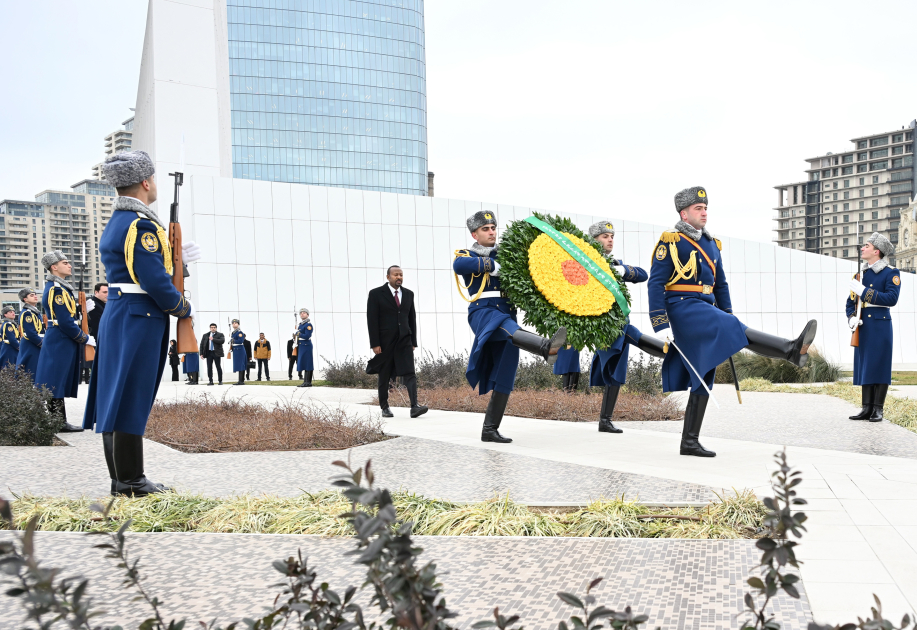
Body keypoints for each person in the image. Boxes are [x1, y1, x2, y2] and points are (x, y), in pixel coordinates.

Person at [647, 186, 816, 457]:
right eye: (698, 209)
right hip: (682, 308)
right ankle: (789, 349)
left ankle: (689, 442)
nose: (704, 213)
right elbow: (656, 283)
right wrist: (660, 322)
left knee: (703, 374)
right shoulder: (671, 241)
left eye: (705, 208)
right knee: (729, 333)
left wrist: (728, 313)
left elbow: (721, 284)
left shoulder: (712, 244)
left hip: (706, 308)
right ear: (684, 214)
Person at [82, 149, 201, 496]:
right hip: (139, 315)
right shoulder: (141, 224)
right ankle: (131, 481)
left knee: (117, 395)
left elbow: (141, 268)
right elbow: (152, 279)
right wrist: (182, 307)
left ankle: (123, 479)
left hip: (124, 314)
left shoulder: (119, 220)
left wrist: (177, 262)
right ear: (146, 182)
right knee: (131, 396)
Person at [453, 211, 566, 443]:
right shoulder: (467, 254)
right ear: (474, 234)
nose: (491, 232)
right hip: (483, 311)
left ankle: (490, 430)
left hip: (507, 314)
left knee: (506, 372)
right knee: (505, 326)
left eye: (493, 228)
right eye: (485, 229)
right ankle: (545, 347)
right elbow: (459, 265)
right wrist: (491, 265)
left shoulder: (507, 254)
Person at [586, 221, 667, 433]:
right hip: (604, 325)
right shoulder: (586, 264)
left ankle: (605, 421)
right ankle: (672, 353)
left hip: (620, 321)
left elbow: (642, 274)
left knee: (616, 371)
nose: (610, 240)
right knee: (634, 338)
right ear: (593, 240)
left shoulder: (615, 264)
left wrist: (621, 270)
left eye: (612, 236)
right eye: (605, 236)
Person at [34, 250, 94, 433]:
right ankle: (58, 422)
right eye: (65, 263)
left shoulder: (61, 287)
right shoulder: (56, 289)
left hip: (61, 338)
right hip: (60, 338)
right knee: (55, 379)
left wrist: (82, 311)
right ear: (54, 267)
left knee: (57, 379)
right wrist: (84, 338)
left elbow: (68, 316)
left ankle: (58, 421)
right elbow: (64, 322)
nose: (69, 265)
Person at [846, 233, 900, 422]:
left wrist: (865, 292)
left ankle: (878, 409)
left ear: (877, 251)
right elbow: (850, 302)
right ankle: (866, 408)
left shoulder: (890, 273)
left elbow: (891, 298)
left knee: (880, 365)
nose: (862, 248)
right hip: (863, 325)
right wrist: (851, 318)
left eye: (867, 246)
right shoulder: (860, 275)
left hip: (880, 324)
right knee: (865, 365)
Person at [366, 266, 428, 418]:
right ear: (388, 277)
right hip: (385, 342)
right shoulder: (376, 294)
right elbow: (372, 320)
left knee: (410, 373)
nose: (399, 277)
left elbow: (411, 318)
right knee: (385, 374)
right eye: (395, 275)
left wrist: (413, 341)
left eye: (401, 275)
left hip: (405, 340)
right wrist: (375, 343)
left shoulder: (408, 294)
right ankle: (384, 407)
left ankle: (414, 406)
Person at [83, 282, 108, 383]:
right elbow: (97, 327)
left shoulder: (102, 304)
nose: (107, 294)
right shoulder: (94, 305)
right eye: (104, 292)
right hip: (98, 341)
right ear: (96, 292)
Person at [16, 288, 43, 378]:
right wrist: (43, 344)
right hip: (31, 345)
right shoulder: (27, 313)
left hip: (35, 344)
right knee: (30, 371)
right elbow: (31, 333)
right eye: (31, 295)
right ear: (25, 299)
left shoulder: (35, 312)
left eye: (35, 294)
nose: (35, 296)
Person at [296, 308, 314, 387]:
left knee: (307, 363)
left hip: (306, 345)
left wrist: (299, 334)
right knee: (303, 363)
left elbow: (307, 336)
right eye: (301, 313)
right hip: (301, 345)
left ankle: (308, 382)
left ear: (307, 315)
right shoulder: (301, 325)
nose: (302, 314)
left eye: (304, 313)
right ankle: (305, 381)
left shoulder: (308, 325)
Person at [229, 319, 247, 385]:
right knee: (239, 365)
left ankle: (241, 381)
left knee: (241, 365)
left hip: (239, 349)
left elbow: (240, 341)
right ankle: (240, 380)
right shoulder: (233, 333)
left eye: (236, 323)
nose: (234, 324)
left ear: (238, 324)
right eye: (233, 323)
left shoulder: (239, 333)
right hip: (235, 349)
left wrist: (233, 341)